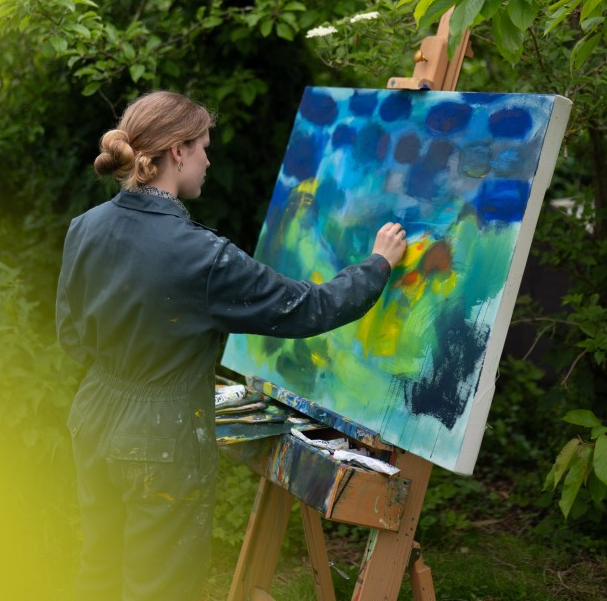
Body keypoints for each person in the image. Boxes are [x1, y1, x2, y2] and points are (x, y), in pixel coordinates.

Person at [56, 90, 407, 601]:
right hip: (161, 436)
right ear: (177, 151)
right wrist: (378, 265)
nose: (208, 159)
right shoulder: (202, 256)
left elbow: (71, 337)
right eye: (203, 146)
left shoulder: (84, 228)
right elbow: (308, 308)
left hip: (93, 414)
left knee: (99, 573)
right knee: (159, 588)